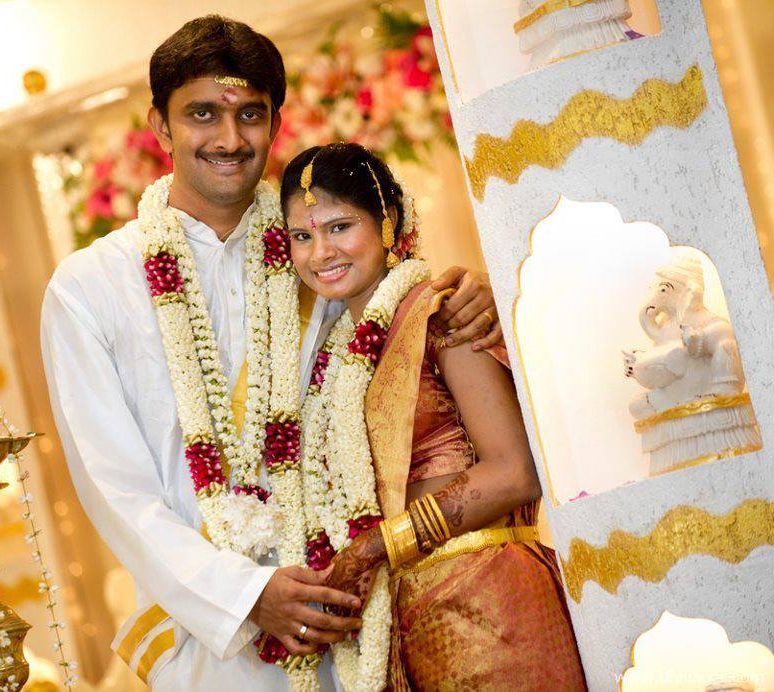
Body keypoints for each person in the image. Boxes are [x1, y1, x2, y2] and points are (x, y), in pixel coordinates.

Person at [41, 16, 500, 690]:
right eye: (202, 114)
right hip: (207, 641)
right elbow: (117, 492)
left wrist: (472, 295)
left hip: (353, 610)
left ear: (275, 123)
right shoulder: (91, 287)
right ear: (161, 127)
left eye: (249, 114)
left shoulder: (318, 249)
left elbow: (405, 329)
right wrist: (247, 594)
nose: (229, 139)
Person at [281, 143, 586, 690]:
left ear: (388, 221)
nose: (320, 252)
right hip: (402, 622)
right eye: (302, 236)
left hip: (489, 602)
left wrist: (376, 546)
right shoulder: (331, 358)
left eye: (340, 226)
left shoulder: (443, 311)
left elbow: (515, 471)